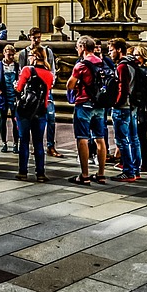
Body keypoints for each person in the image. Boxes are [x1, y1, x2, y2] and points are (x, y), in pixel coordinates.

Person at [66, 35, 108, 185]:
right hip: (99, 104)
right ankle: (101, 174)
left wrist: (77, 86)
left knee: (82, 138)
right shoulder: (102, 63)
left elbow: (70, 85)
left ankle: (85, 175)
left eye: (77, 47)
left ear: (83, 47)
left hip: (84, 104)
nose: (77, 49)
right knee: (100, 138)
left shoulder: (81, 65)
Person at [13, 46, 53, 182]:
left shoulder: (27, 70)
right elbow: (46, 95)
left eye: (30, 55)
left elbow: (18, 88)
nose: (28, 57)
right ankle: (40, 173)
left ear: (35, 56)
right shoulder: (49, 74)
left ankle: (22, 172)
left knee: (23, 141)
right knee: (38, 143)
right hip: (41, 111)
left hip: (25, 110)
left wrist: (16, 86)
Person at [18, 31, 62, 158]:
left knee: (51, 118)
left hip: (46, 91)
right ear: (29, 37)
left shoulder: (47, 52)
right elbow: (21, 70)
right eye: (34, 38)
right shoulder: (24, 53)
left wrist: (51, 81)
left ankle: (50, 145)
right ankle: (36, 145)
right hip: (30, 92)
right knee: (32, 119)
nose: (37, 40)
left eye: (38, 37)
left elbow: (52, 69)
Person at [107, 38, 141, 182]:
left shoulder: (122, 66)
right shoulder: (133, 63)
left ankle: (128, 171)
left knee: (122, 140)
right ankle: (136, 169)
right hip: (132, 106)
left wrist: (115, 103)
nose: (109, 53)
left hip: (123, 107)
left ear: (119, 50)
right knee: (134, 139)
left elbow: (123, 88)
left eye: (111, 50)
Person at [130, 45, 147, 173]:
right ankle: (143, 163)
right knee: (141, 136)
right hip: (145, 106)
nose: (134, 57)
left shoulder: (142, 71)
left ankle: (143, 163)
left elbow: (140, 91)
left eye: (136, 55)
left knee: (140, 136)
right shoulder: (146, 69)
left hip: (141, 107)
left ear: (143, 57)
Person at [0, 45, 20, 153]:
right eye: (9, 54)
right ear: (4, 53)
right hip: (3, 97)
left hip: (14, 96)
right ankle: (4, 143)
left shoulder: (16, 66)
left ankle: (16, 143)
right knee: (2, 119)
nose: (11, 57)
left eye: (13, 54)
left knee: (15, 120)